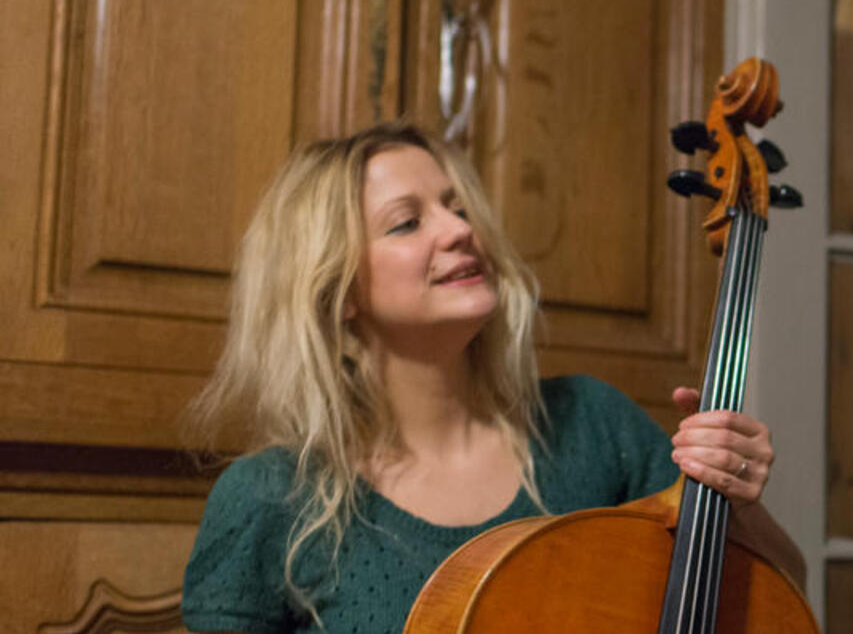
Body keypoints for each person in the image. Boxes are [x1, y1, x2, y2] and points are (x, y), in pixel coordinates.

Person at [181, 121, 801, 633]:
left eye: (455, 207)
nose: (459, 230)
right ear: (337, 290)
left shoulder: (592, 425)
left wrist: (736, 500)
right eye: (407, 222)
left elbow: (778, 592)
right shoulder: (268, 498)